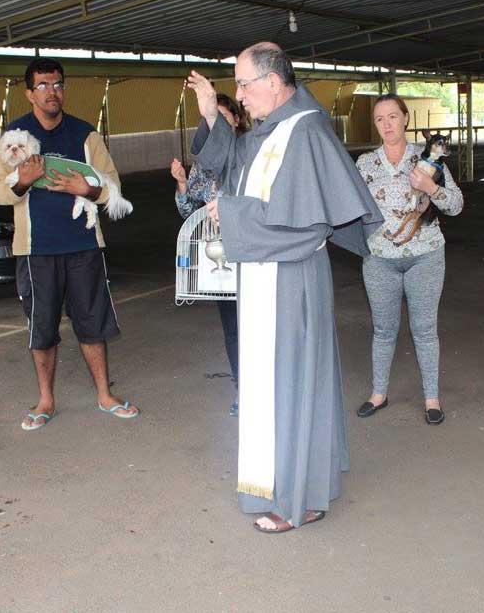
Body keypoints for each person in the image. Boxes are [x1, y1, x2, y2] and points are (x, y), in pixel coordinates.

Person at [187, 42, 381, 533]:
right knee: (283, 386)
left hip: (290, 277)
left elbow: (307, 225)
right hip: (267, 274)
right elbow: (237, 168)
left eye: (243, 85)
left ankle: (302, 498)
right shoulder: (274, 128)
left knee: (293, 385)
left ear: (273, 82)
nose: (240, 95)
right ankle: (290, 482)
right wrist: (212, 116)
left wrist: (228, 213)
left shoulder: (306, 130)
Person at [0, 57, 138, 431]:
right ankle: (45, 400)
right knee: (42, 328)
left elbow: (113, 187)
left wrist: (85, 189)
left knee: (93, 322)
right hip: (36, 251)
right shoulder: (13, 137)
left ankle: (105, 395)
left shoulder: (85, 135)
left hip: (83, 246)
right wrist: (22, 180)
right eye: (42, 86)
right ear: (29, 93)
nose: (51, 92)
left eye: (57, 84)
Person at [354, 94, 463, 426]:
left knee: (425, 330)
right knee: (383, 330)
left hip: (425, 256)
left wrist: (431, 186)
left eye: (392, 117)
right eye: (379, 119)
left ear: (405, 119)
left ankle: (432, 398)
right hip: (379, 259)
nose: (386, 124)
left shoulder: (429, 156)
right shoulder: (365, 164)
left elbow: (456, 204)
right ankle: (379, 393)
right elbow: (351, 209)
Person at [170, 93, 245, 415]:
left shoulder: (251, 155)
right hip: (221, 261)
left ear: (237, 121)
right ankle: (243, 389)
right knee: (233, 328)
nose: (220, 129)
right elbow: (189, 214)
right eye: (213, 122)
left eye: (224, 121)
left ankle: (270, 386)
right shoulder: (203, 165)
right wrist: (184, 184)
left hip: (254, 254)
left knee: (263, 323)